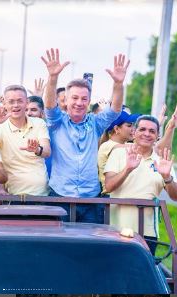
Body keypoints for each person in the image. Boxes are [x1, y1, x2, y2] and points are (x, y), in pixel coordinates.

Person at [41, 48, 128, 223]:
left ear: (89, 101)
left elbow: (115, 110)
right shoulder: (57, 122)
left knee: (90, 248)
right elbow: (49, 105)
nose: (79, 103)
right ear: (65, 99)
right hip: (60, 196)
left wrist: (118, 84)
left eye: (83, 99)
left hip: (90, 198)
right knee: (59, 246)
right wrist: (52, 79)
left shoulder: (96, 122)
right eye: (74, 98)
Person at [104, 115, 177, 254]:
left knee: (140, 274)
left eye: (152, 131)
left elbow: (176, 196)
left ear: (158, 136)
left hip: (148, 232)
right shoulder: (119, 153)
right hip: (116, 228)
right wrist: (128, 168)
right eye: (142, 129)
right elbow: (108, 186)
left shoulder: (161, 160)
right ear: (134, 132)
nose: (147, 134)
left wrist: (167, 177)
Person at [0, 85, 51, 196]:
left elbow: (47, 152)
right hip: (12, 194)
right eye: (11, 102)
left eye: (20, 101)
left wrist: (37, 149)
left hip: (40, 194)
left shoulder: (39, 123)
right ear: (4, 104)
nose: (15, 105)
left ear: (27, 102)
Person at [97, 111, 140, 195]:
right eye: (129, 125)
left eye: (133, 125)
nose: (133, 129)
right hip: (109, 198)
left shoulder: (125, 145)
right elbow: (140, 147)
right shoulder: (107, 145)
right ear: (116, 129)